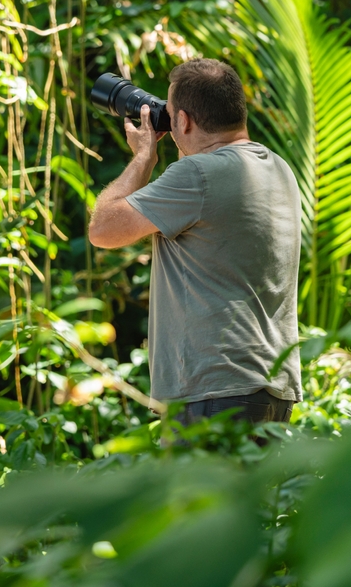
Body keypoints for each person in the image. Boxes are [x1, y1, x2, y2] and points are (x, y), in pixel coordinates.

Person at [88, 58, 302, 426]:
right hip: (269, 390)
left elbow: (103, 230)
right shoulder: (278, 168)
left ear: (183, 121)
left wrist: (143, 156)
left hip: (214, 392)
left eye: (170, 115)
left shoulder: (198, 175)